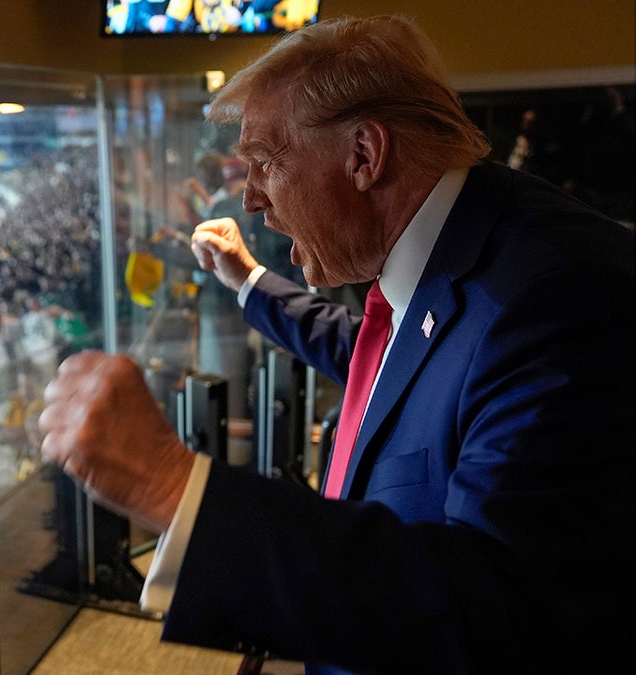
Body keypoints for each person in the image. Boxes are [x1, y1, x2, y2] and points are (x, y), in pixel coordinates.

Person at [38, 14, 634, 675]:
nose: (251, 198)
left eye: (265, 161)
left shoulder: (556, 297)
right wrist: (251, 282)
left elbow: (494, 611)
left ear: (364, 155)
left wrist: (172, 486)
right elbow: (389, 363)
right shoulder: (466, 244)